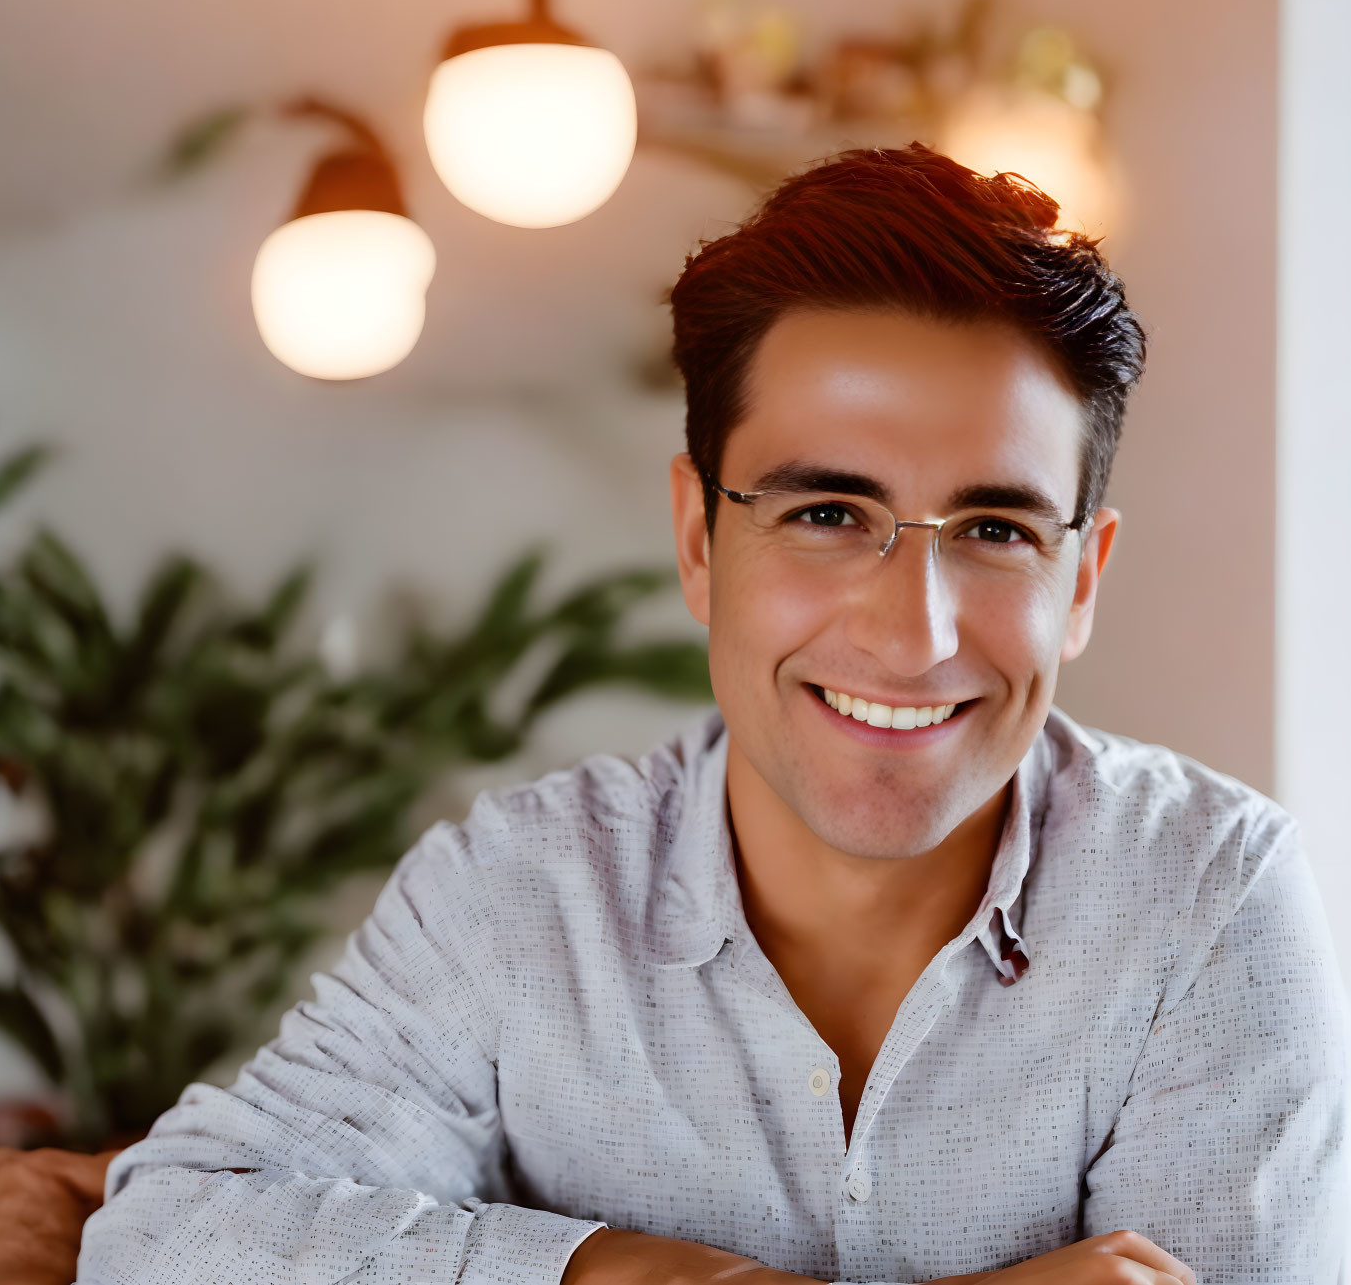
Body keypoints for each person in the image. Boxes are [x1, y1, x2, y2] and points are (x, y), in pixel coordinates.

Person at [70, 145, 1347, 1285]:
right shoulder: (516, 895)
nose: (915, 636)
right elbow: (167, 1240)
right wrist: (619, 1276)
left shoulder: (1207, 898)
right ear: (697, 536)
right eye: (828, 514)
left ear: (1084, 580)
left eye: (997, 529)